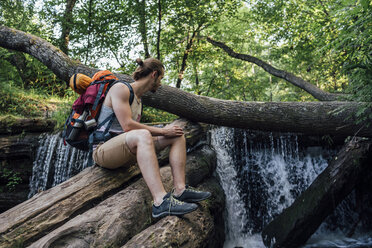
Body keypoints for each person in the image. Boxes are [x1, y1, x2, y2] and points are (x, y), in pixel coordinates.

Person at [92, 57, 211, 218]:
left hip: (126, 151)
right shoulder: (121, 89)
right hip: (103, 152)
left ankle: (180, 191)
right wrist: (162, 131)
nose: (160, 83)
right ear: (154, 74)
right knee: (144, 135)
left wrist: (167, 131)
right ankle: (160, 202)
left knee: (176, 135)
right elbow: (127, 126)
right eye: (161, 78)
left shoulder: (139, 100)